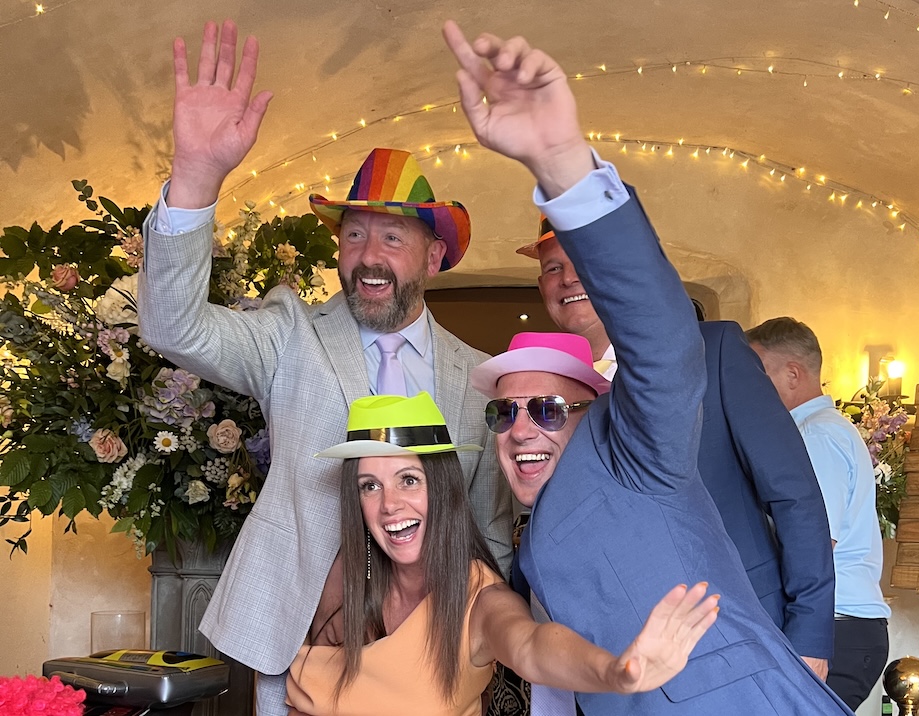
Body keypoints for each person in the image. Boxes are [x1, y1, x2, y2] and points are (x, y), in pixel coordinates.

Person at [443, 21, 853, 713]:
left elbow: (662, 341)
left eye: (546, 408)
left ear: (592, 412)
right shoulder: (534, 542)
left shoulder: (635, 454)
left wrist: (563, 163)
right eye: (502, 412)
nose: (519, 427)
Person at [137, 21, 512, 715]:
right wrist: (194, 178)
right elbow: (172, 327)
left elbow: (486, 531)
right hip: (302, 639)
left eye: (393, 236)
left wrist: (490, 648)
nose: (368, 255)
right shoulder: (291, 334)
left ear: (433, 258)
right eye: (354, 234)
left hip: (431, 656)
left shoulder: (479, 376)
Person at [517, 218, 835, 677]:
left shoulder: (715, 351)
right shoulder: (545, 393)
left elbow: (795, 496)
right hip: (615, 657)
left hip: (741, 633)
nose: (567, 278)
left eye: (582, 260)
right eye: (552, 268)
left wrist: (809, 636)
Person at [287, 392, 719, 716]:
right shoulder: (346, 577)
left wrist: (613, 671)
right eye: (370, 486)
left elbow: (531, 646)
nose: (389, 505)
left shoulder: (480, 600)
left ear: (443, 490)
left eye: (409, 480)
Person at [746, 317, 891, 711]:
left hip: (833, 626)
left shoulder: (815, 435)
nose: (749, 387)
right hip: (840, 624)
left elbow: (814, 542)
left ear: (793, 373)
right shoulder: (826, 428)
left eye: (758, 373)